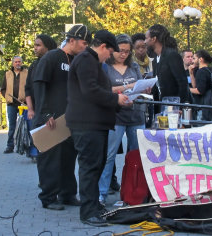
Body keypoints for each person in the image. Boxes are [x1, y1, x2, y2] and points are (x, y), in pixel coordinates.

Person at [66, 30, 127, 227]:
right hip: (86, 124)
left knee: (96, 166)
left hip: (95, 123)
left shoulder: (92, 61)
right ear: (103, 47)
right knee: (90, 167)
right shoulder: (86, 59)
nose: (109, 57)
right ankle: (88, 211)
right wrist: (115, 98)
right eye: (109, 53)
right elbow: (90, 91)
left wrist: (117, 99)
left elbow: (97, 90)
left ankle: (93, 206)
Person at [33, 25, 92, 211]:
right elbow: (39, 85)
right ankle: (48, 197)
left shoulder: (77, 60)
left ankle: (67, 194)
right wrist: (45, 113)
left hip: (70, 120)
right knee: (50, 160)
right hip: (51, 119)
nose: (85, 47)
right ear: (72, 40)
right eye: (83, 43)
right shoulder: (51, 57)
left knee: (68, 158)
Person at [98, 34, 146, 205]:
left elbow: (140, 87)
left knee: (134, 156)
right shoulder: (106, 68)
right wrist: (127, 86)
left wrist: (144, 90)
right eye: (120, 50)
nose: (123, 54)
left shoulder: (134, 67)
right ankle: (101, 193)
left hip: (136, 116)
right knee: (109, 155)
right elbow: (104, 90)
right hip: (115, 117)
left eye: (127, 51)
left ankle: (131, 193)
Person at [24, 35, 57, 161]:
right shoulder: (34, 65)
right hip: (38, 113)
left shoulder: (54, 63)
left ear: (47, 47)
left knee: (53, 150)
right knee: (41, 148)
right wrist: (31, 109)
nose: (35, 48)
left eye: (38, 45)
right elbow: (28, 88)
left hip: (52, 113)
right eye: (34, 45)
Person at [145, 24, 191, 104]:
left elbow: (182, 82)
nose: (144, 42)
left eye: (146, 38)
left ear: (154, 39)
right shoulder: (155, 58)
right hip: (160, 106)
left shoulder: (172, 55)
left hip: (174, 106)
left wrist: (181, 105)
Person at [0, 56, 28, 154]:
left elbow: (30, 87)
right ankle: (10, 146)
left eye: (19, 62)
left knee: (25, 125)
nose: (17, 63)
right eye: (15, 62)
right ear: (13, 63)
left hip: (23, 104)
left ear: (21, 63)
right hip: (11, 104)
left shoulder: (26, 73)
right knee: (12, 126)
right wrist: (7, 97)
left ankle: (25, 146)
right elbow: (3, 89)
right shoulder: (8, 74)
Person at [188, 50, 212, 120]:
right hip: (210, 106)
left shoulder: (201, 72)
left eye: (194, 58)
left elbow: (199, 90)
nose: (192, 61)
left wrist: (187, 89)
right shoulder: (209, 70)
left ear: (200, 59)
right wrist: (191, 73)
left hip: (203, 107)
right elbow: (196, 86)